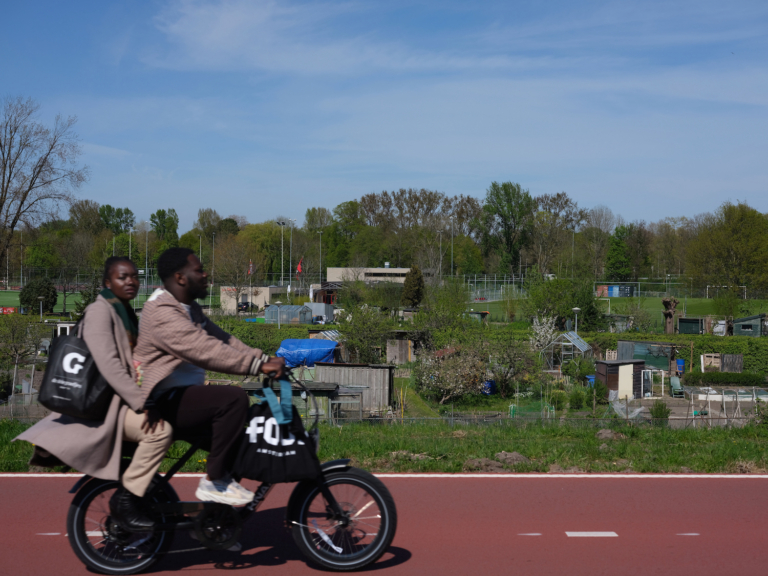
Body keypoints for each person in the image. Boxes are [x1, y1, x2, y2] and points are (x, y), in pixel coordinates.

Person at [15, 257, 173, 530]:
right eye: (123, 277)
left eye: (135, 276)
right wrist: (141, 402)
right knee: (160, 432)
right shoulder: (101, 311)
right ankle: (127, 499)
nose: (131, 281)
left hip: (119, 400)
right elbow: (109, 364)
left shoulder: (124, 311)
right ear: (107, 282)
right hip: (106, 406)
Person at [133, 247, 285, 506]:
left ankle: (217, 523)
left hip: (183, 398)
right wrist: (256, 366)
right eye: (199, 270)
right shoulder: (161, 311)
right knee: (233, 399)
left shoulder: (188, 308)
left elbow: (223, 339)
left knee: (244, 444)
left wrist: (264, 358)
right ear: (181, 277)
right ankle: (214, 481)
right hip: (162, 402)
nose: (206, 276)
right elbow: (204, 349)